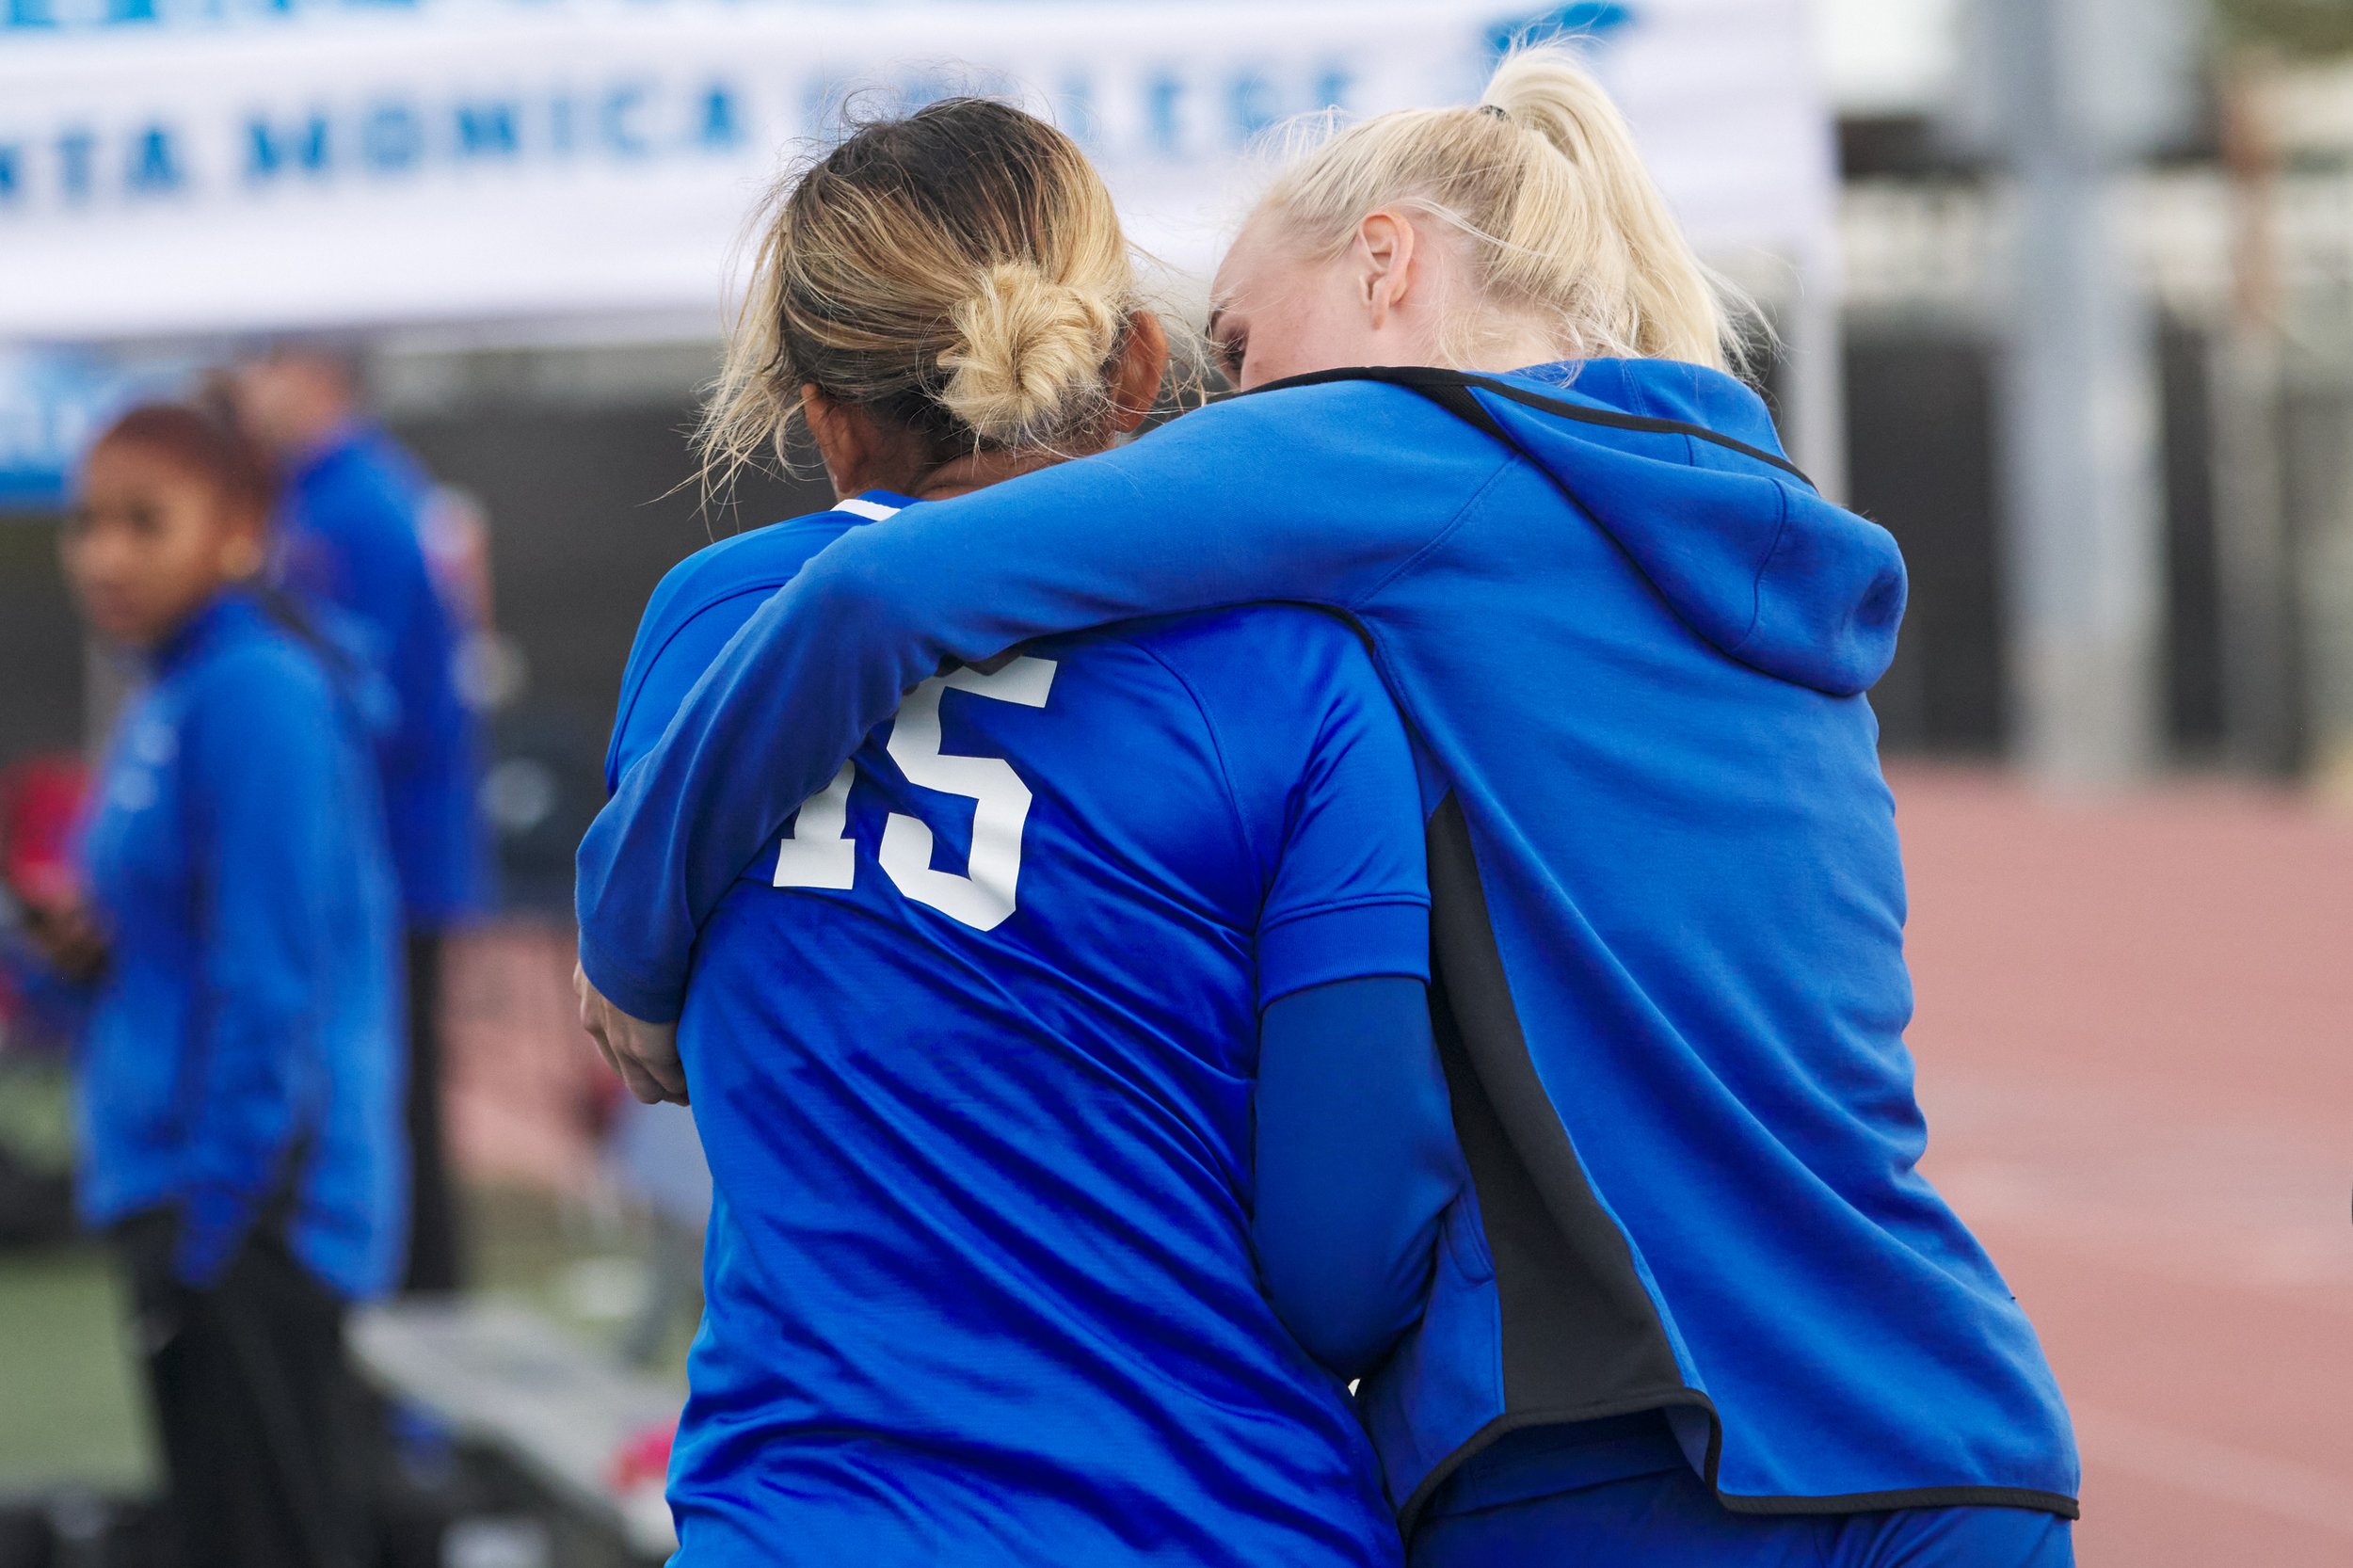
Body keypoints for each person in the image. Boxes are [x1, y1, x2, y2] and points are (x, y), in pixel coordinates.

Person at [575, 46, 2079, 1568]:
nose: (1223, 410)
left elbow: (888, 582)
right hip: (1944, 1418)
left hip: (1628, 1456)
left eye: (1242, 342)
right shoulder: (1751, 539)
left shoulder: (1396, 454)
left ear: (1384, 270)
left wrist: (629, 941)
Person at [580, 98, 1463, 1565]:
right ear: (1132, 364)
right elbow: (1345, 1268)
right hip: (1213, 1520)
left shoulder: (711, 626)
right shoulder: (1297, 670)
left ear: (822, 409)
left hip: (809, 1522)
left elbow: (663, 1014)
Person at [40, 404, 404, 1568]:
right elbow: (153, 957)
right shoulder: (174, 687)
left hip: (250, 1213)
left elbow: (273, 984)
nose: (105, 554)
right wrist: (72, 953)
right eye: (87, 523)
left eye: (145, 522)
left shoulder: (257, 693)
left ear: (238, 530)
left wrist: (213, 1230)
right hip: (178, 1187)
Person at [233, 347, 481, 1295]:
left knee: (395, 1101)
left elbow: (374, 704)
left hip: (392, 862)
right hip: (379, 856)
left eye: (262, 361)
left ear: (313, 371)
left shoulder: (354, 508)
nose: (248, 385)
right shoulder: (329, 495)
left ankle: (420, 1332)